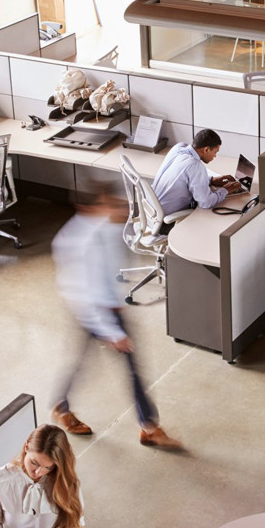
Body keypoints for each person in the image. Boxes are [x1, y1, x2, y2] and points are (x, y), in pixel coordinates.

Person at [51, 184, 181, 449]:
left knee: (83, 361)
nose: (121, 210)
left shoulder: (108, 228)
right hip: (92, 312)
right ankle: (149, 427)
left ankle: (61, 405)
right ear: (88, 209)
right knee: (131, 368)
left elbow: (110, 272)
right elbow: (84, 295)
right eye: (110, 205)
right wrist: (113, 333)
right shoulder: (79, 243)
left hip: (107, 306)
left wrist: (117, 300)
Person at [152, 129, 243, 217]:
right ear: (206, 149)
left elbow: (185, 177)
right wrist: (226, 190)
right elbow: (206, 202)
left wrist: (211, 180)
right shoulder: (195, 165)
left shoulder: (178, 148)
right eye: (215, 152)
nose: (215, 156)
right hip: (164, 220)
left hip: (152, 211)